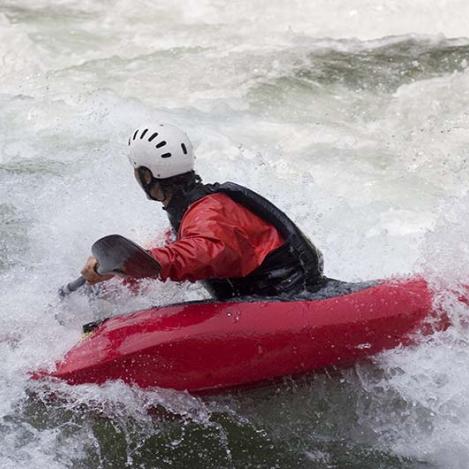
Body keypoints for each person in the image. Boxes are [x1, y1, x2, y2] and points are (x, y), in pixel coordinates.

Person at [81, 124, 325, 300]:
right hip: (273, 298)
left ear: (146, 176)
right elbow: (170, 254)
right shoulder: (194, 210)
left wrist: (130, 262)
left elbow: (199, 253)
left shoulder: (209, 213)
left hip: (290, 299)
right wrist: (113, 279)